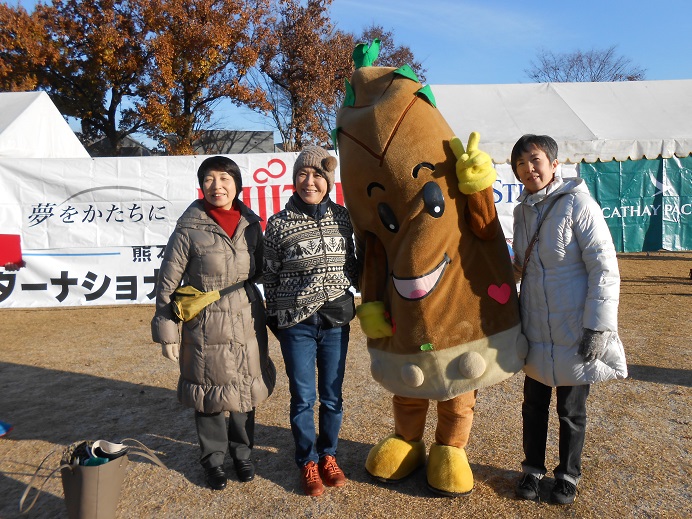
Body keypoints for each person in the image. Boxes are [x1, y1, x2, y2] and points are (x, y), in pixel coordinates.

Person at [511, 134, 627, 504]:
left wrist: (598, 326)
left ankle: (568, 475)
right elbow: (523, 267)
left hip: (573, 324)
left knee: (571, 409)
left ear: (554, 164)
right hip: (535, 324)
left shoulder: (579, 204)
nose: (529, 169)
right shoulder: (520, 211)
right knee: (533, 405)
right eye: (521, 163)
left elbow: (604, 267)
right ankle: (532, 469)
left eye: (535, 160)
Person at [152, 156, 276, 491]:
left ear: (237, 184)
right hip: (205, 322)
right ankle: (214, 461)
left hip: (248, 316)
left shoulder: (251, 223)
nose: (217, 186)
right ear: (201, 185)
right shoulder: (189, 227)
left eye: (224, 178)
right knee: (209, 394)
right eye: (208, 179)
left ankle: (243, 454)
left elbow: (264, 268)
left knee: (245, 390)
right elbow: (167, 283)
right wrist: (167, 333)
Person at [263, 146, 358, 497]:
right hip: (296, 323)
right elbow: (268, 276)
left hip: (335, 319)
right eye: (303, 173)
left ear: (329, 181)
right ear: (294, 179)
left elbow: (353, 265)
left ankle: (329, 455)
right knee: (303, 396)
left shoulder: (344, 218)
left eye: (318, 174)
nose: (310, 181)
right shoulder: (278, 223)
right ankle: (307, 460)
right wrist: (277, 317)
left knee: (332, 396)